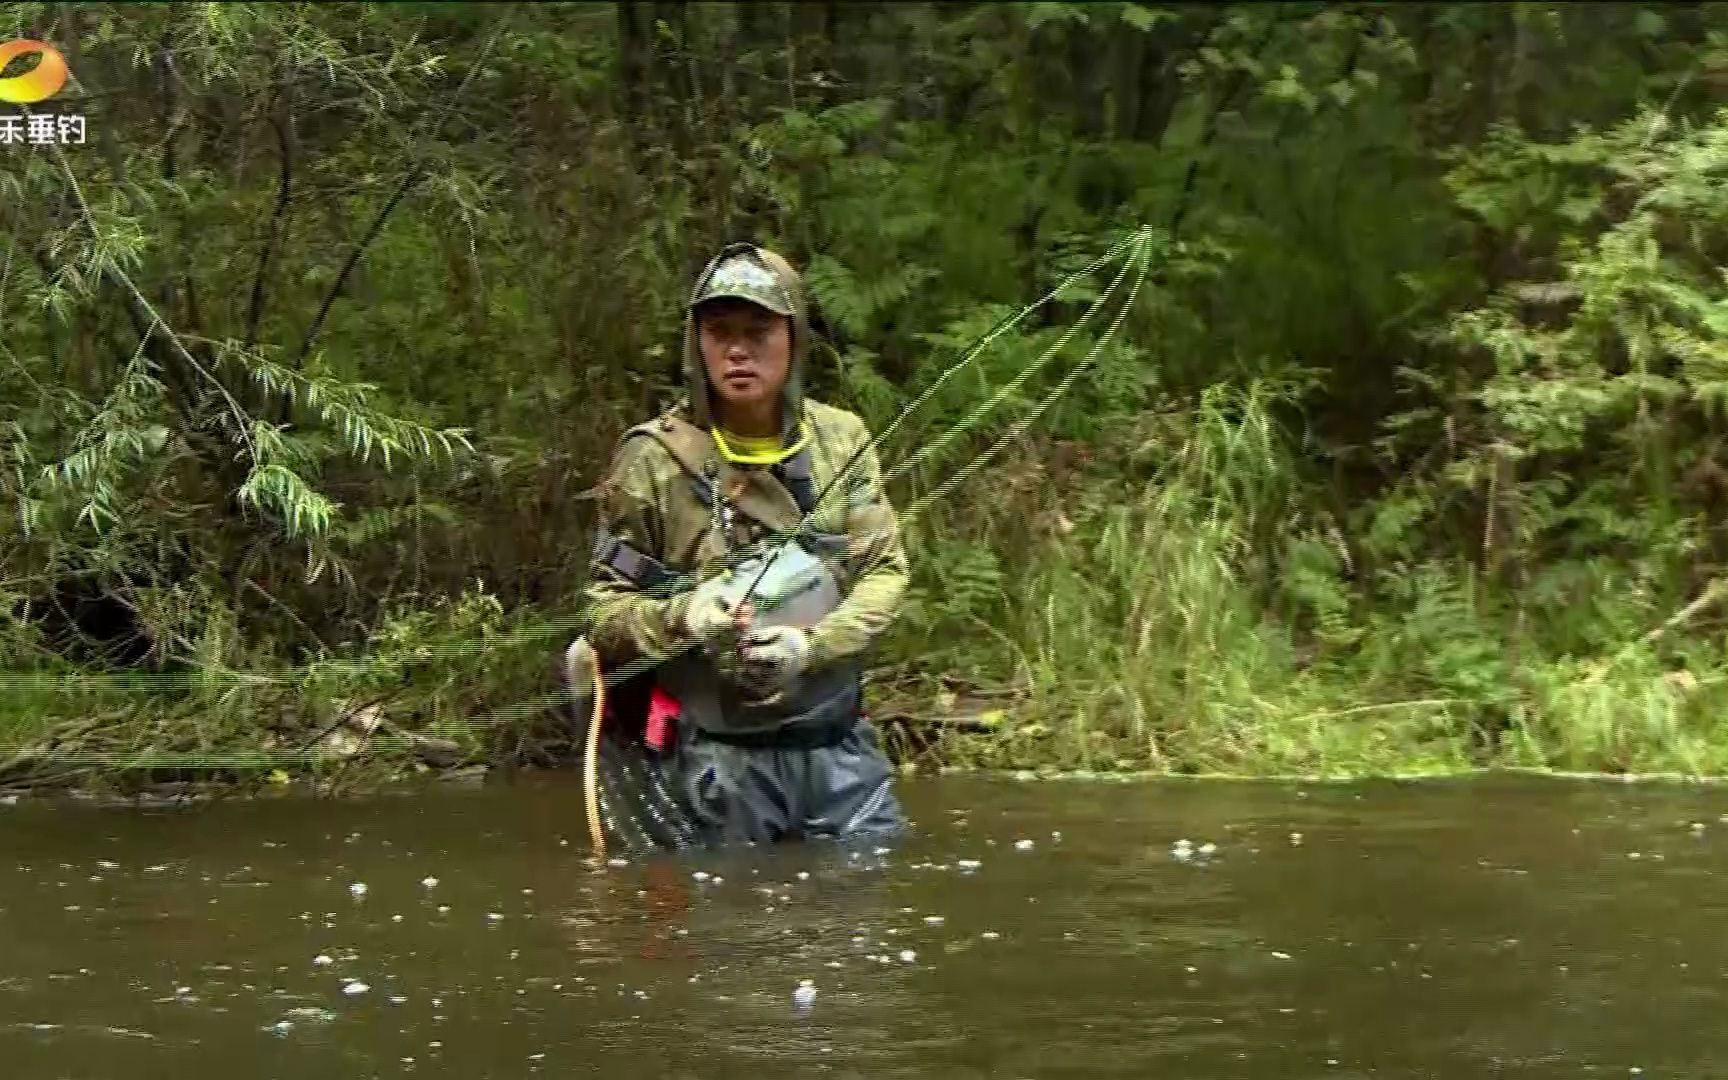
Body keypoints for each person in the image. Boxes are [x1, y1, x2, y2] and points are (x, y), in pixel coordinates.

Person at [571, 242, 910, 846]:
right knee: (737, 930)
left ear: (794, 338)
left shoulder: (842, 439)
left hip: (839, 751)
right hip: (717, 763)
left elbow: (885, 572)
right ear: (695, 343)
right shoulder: (651, 461)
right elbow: (602, 615)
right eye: (719, 330)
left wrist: (811, 645)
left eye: (759, 330)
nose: (737, 349)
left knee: (865, 912)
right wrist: (688, 615)